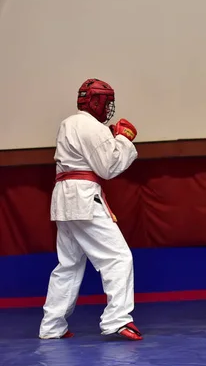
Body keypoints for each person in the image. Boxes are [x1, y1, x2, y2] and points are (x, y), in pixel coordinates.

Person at [38, 78, 143, 341]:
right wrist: (123, 140)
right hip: (83, 198)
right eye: (106, 101)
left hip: (63, 199)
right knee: (118, 258)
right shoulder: (90, 126)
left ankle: (52, 326)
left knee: (69, 265)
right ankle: (117, 320)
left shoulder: (68, 123)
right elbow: (108, 167)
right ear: (96, 101)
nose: (109, 107)